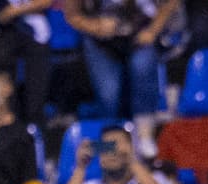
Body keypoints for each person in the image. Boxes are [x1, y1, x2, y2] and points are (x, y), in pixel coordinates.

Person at [63, 0, 180, 157]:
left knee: (143, 70)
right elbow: (72, 15)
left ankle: (145, 139)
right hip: (100, 42)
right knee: (108, 94)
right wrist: (95, 26)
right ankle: (109, 147)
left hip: (140, 33)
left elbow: (171, 2)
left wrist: (153, 30)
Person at [0, 0, 52, 125]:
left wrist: (14, 11)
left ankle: (35, 130)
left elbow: (46, 2)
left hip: (35, 35)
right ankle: (6, 130)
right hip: (2, 35)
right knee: (8, 98)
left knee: (35, 99)